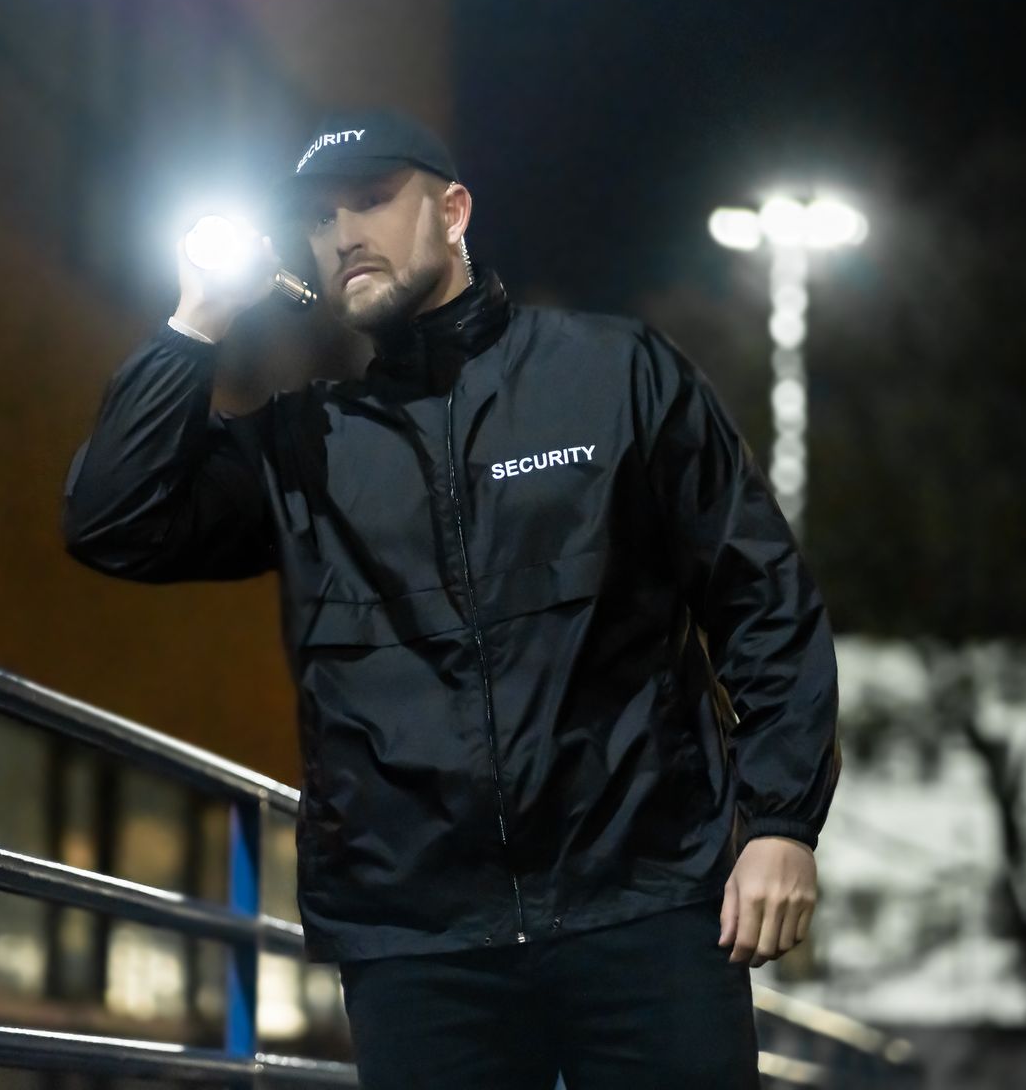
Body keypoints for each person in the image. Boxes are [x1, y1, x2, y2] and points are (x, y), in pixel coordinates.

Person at [60, 108, 840, 1088]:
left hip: (642, 908)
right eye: (319, 217)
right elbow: (112, 520)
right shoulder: (308, 444)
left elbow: (764, 597)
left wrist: (779, 822)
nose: (344, 233)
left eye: (374, 200)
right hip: (417, 943)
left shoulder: (614, 375)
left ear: (455, 209)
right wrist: (195, 326)